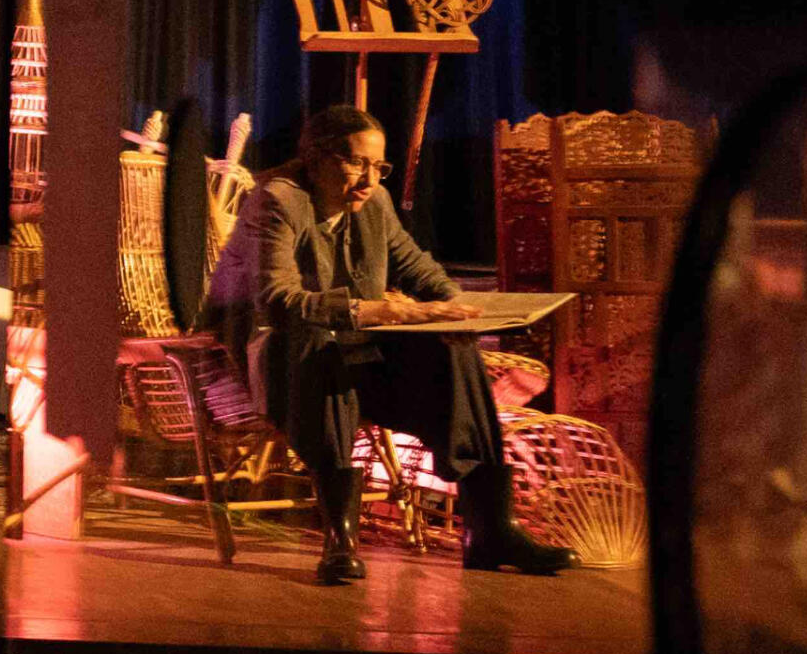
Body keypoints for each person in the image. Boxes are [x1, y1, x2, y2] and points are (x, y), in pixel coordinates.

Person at [224, 102, 569, 587]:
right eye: (355, 163)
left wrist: (462, 309)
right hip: (290, 362)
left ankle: (491, 529)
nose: (369, 179)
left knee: (455, 348)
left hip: (362, 354)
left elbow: (414, 265)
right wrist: (379, 311)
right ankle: (340, 540)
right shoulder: (278, 202)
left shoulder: (376, 202)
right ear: (317, 160)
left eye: (378, 166)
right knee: (321, 348)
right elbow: (277, 300)